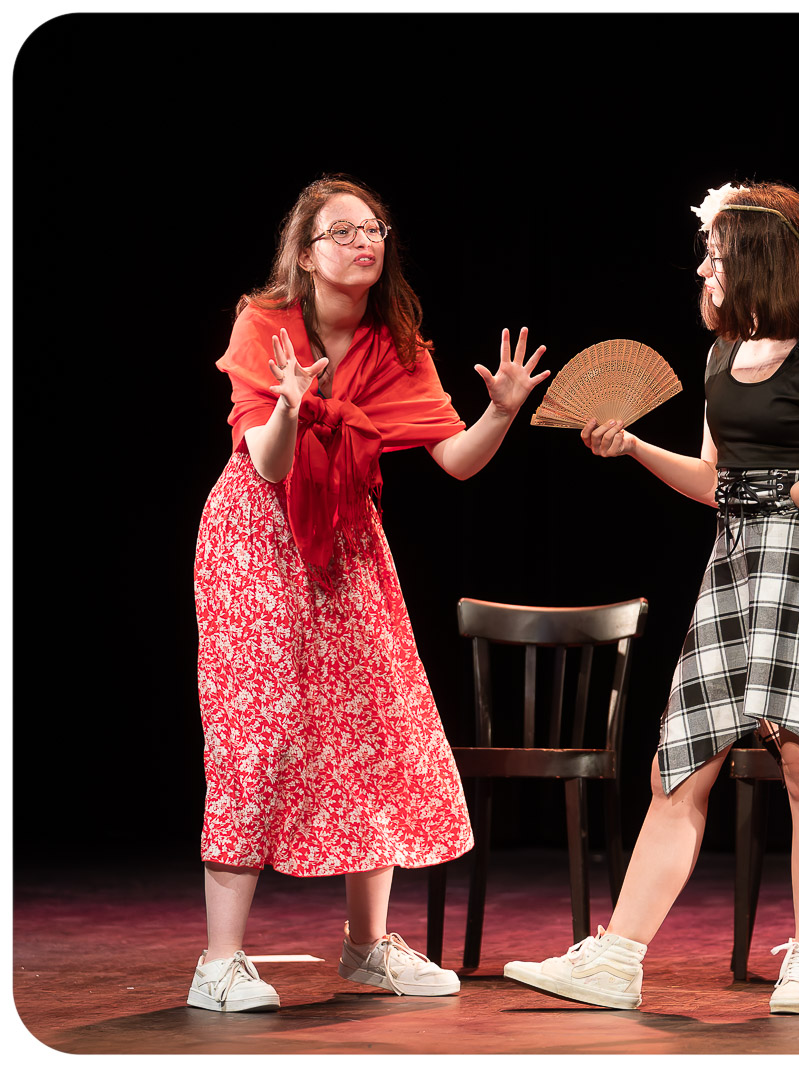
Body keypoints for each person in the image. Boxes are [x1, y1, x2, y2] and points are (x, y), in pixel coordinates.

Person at [503, 181, 799, 1015]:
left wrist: (796, 493)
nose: (702, 269)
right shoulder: (721, 358)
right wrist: (633, 447)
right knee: (681, 757)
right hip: (736, 565)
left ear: (757, 262)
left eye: (716, 256)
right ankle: (618, 958)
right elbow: (713, 480)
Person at [190, 175, 550, 1012]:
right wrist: (290, 404)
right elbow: (268, 464)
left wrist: (501, 412)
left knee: (375, 721)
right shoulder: (265, 323)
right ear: (306, 252)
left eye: (375, 229)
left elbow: (456, 459)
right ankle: (219, 960)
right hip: (256, 538)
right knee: (255, 731)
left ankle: (367, 945)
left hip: (348, 538)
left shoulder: (396, 345)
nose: (364, 242)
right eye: (344, 231)